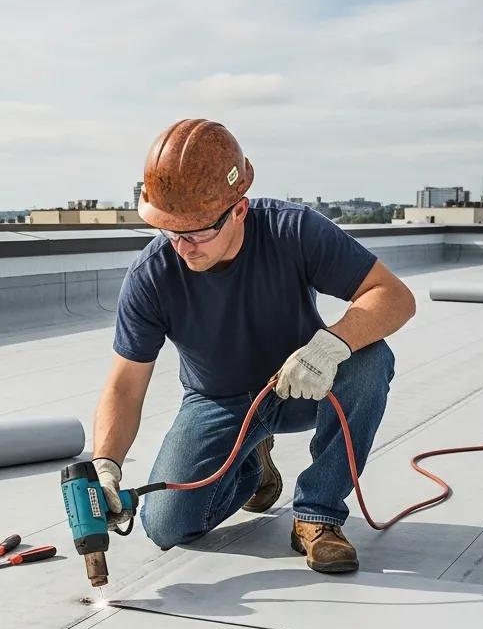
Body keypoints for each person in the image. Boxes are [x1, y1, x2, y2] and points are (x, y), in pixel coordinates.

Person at [91, 118, 415, 573]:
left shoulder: (293, 231)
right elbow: (124, 386)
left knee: (370, 356)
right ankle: (251, 466)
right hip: (218, 403)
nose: (183, 247)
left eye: (198, 231)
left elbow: (394, 296)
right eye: (170, 231)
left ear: (238, 210)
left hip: (303, 383)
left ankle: (316, 515)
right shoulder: (152, 276)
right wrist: (106, 464)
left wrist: (330, 347)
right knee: (166, 526)